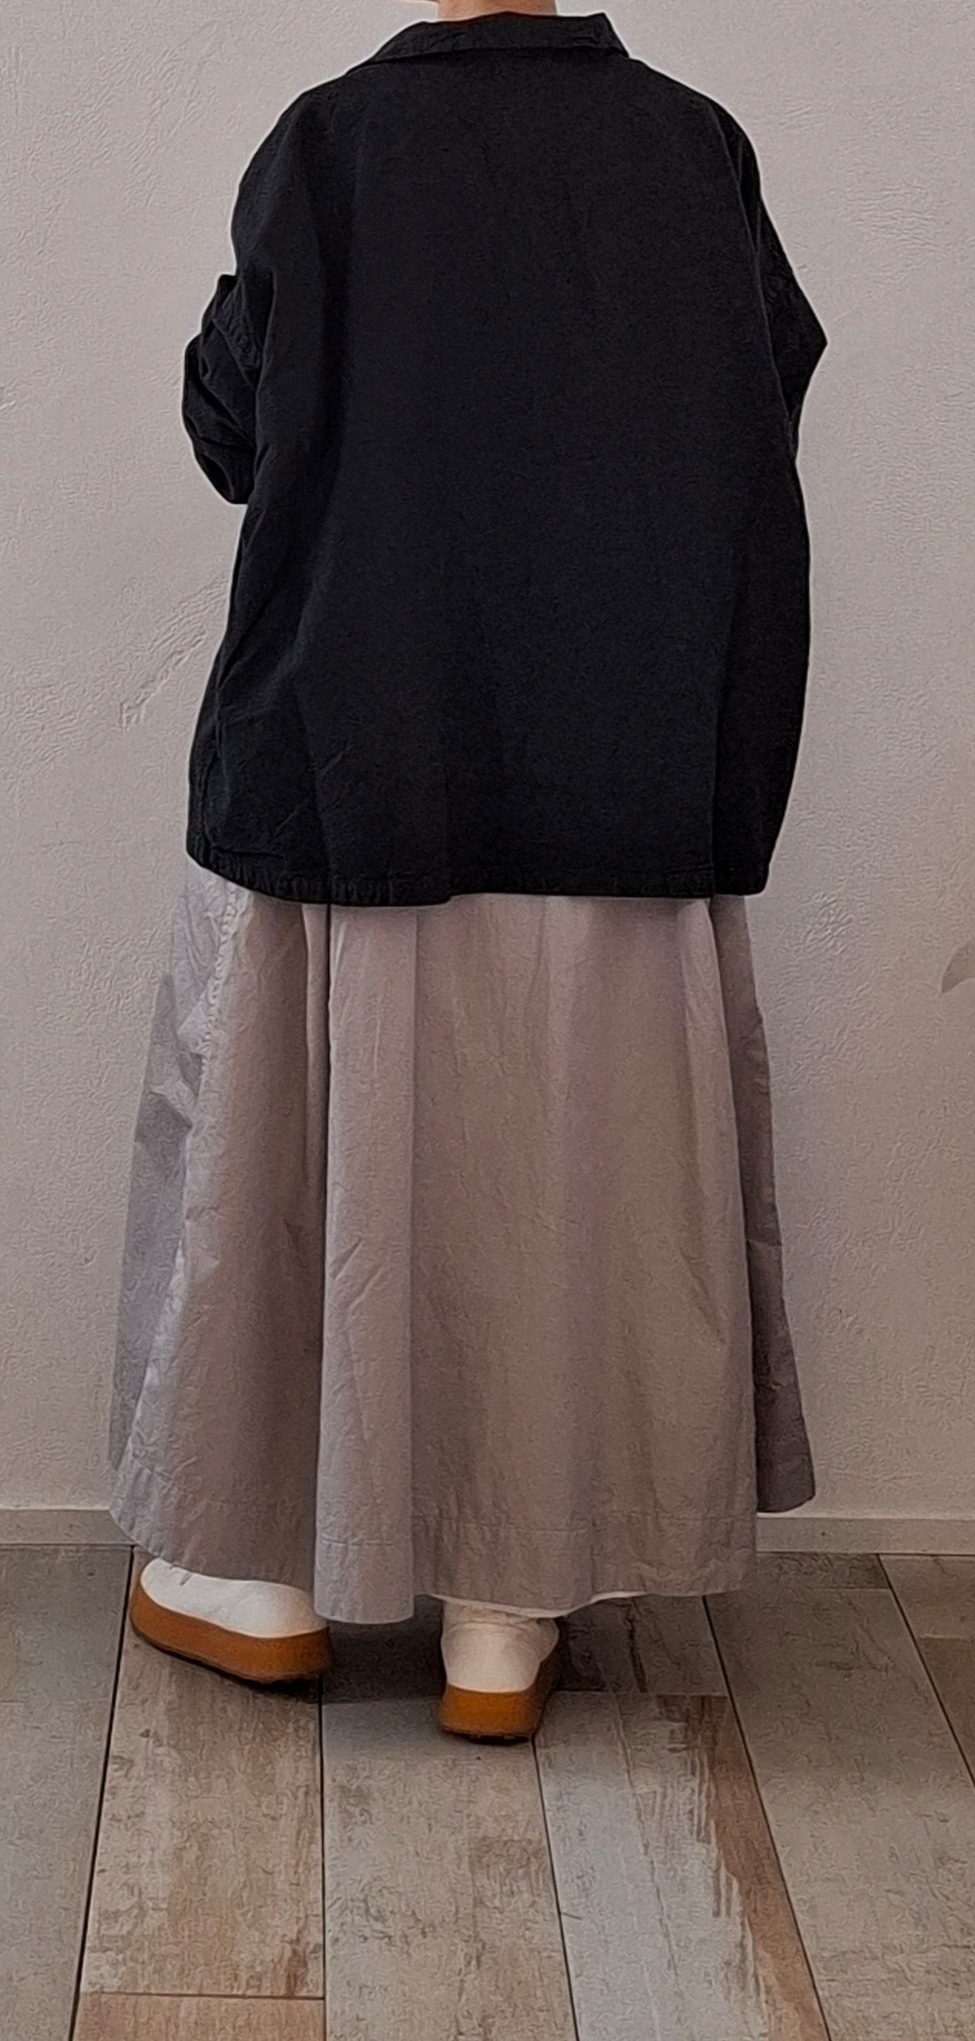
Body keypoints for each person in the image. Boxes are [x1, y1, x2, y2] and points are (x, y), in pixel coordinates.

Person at [108, 0, 827, 1741]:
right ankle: (506, 1616)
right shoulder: (695, 149)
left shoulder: (330, 145)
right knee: (565, 1187)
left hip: (356, 763)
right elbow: (763, 400)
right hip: (625, 771)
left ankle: (258, 1578)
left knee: (295, 1162)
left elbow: (232, 430)